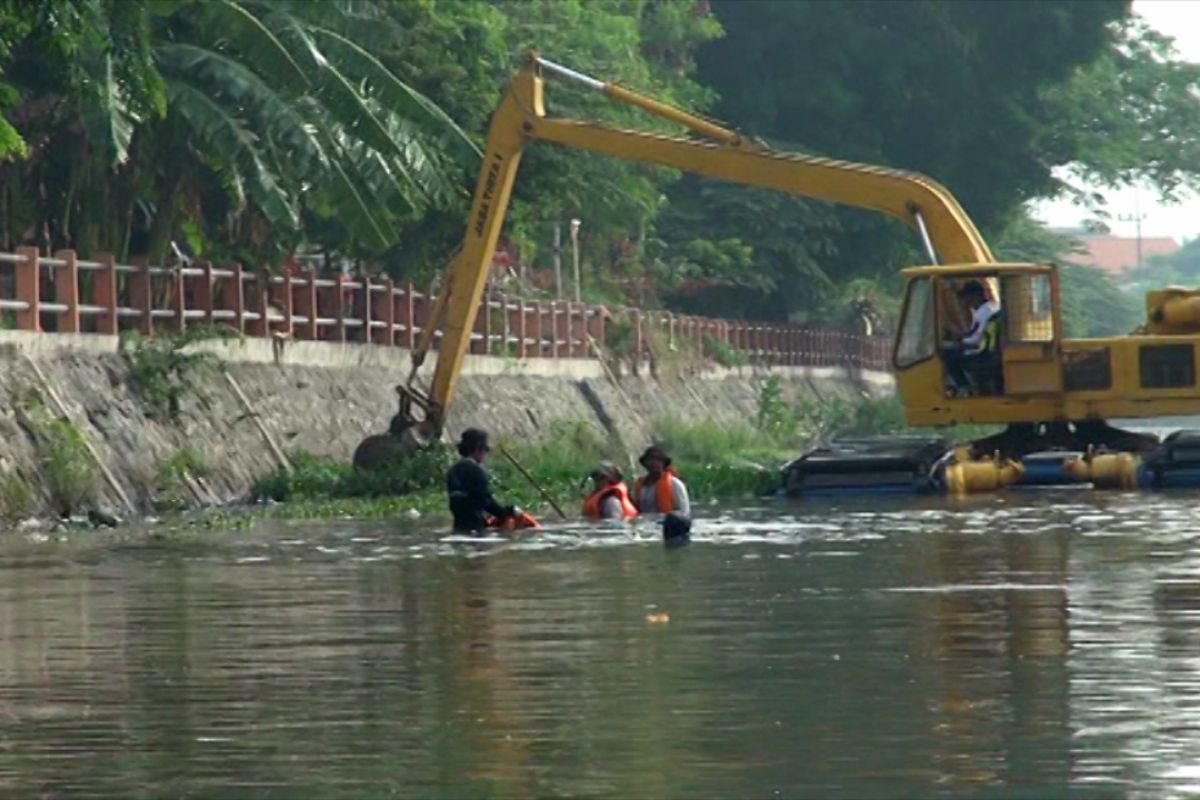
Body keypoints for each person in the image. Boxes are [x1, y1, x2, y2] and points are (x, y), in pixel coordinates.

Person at [446, 428, 521, 532]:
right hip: (475, 525)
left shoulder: (453, 471)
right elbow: (484, 501)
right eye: (485, 450)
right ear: (478, 449)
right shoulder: (475, 471)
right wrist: (506, 512)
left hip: (459, 524)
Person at [944, 280, 1001, 394]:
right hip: (991, 352)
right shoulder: (992, 308)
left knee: (949, 358)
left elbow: (976, 340)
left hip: (984, 355)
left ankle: (964, 388)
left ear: (974, 296)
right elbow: (978, 333)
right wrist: (962, 336)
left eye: (966, 296)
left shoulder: (983, 313)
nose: (964, 301)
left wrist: (959, 340)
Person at [632, 446, 690, 516]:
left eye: (657, 460)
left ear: (663, 463)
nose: (653, 463)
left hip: (667, 525)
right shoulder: (640, 487)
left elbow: (684, 513)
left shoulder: (675, 484)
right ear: (645, 464)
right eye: (650, 460)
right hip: (644, 525)